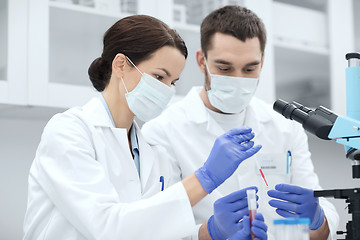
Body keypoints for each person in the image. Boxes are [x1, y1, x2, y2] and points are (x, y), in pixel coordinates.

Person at [23, 15, 268, 240]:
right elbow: (108, 228)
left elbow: (152, 232)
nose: (167, 90)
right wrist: (205, 178)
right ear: (120, 65)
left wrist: (210, 232)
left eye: (173, 81)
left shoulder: (153, 150)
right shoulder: (69, 132)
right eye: (159, 77)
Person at [142, 5, 339, 240]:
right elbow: (156, 230)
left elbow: (321, 228)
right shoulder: (162, 131)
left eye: (250, 68)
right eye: (224, 68)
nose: (238, 79)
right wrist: (210, 233)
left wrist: (317, 219)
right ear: (202, 61)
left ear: (262, 62)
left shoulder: (285, 127)